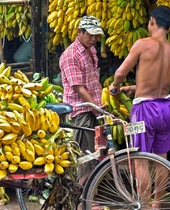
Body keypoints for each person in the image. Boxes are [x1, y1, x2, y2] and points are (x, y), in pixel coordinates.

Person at [109, 6, 170, 209]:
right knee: (161, 158)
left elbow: (120, 73)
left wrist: (115, 87)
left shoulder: (142, 44)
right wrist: (135, 87)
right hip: (166, 107)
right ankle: (157, 205)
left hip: (143, 111)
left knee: (140, 160)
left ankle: (145, 206)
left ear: (152, 22)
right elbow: (158, 83)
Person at [59, 15, 105, 187]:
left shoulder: (91, 50)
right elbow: (79, 87)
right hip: (81, 110)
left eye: (96, 36)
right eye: (90, 35)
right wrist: (95, 106)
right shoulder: (70, 55)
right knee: (85, 158)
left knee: (94, 154)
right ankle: (82, 200)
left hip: (93, 108)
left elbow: (92, 80)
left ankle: (88, 195)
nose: (94, 39)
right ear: (79, 32)